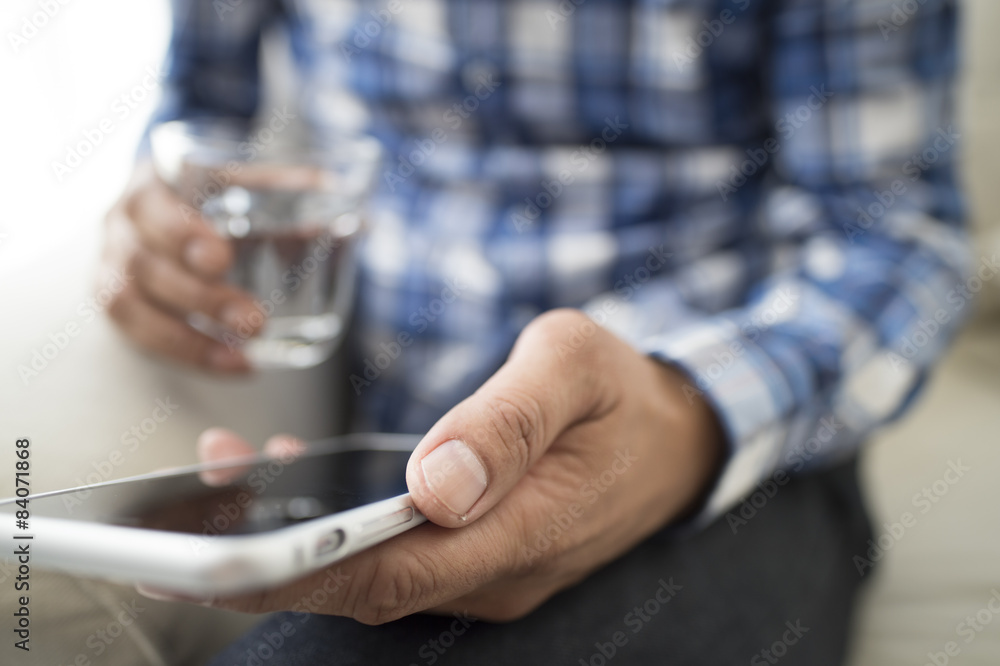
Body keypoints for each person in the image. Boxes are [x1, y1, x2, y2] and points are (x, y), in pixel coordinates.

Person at [101, 0, 968, 663]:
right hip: (392, 453)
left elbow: (898, 238)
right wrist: (167, 226)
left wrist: (681, 420)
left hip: (746, 460)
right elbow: (199, 117)